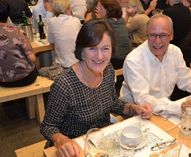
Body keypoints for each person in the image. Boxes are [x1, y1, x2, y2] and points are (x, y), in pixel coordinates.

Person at [40, 19, 153, 156]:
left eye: (105, 48)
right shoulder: (64, 85)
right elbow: (48, 126)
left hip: (101, 144)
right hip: (74, 150)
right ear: (81, 51)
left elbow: (111, 102)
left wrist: (133, 108)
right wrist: (60, 140)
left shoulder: (108, 70)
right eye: (92, 48)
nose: (99, 56)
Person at [119, 14, 191, 116]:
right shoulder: (134, 60)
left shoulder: (175, 52)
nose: (157, 41)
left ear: (171, 35)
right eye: (153, 35)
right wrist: (178, 107)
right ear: (147, 34)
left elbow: (187, 80)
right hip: (135, 114)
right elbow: (142, 99)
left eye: (163, 35)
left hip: (166, 109)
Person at [38, 0, 81, 80]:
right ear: (67, 8)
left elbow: (51, 42)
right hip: (78, 65)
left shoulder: (52, 21)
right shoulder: (76, 21)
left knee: (40, 70)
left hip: (62, 67)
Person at [0, 0, 37, 87]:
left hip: (2, 80)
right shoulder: (17, 31)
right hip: (25, 78)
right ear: (7, 14)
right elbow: (32, 58)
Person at [101, 0, 132, 69]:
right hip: (128, 55)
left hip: (116, 59)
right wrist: (128, 14)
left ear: (106, 10)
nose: (99, 9)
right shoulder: (121, 20)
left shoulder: (105, 22)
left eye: (100, 7)